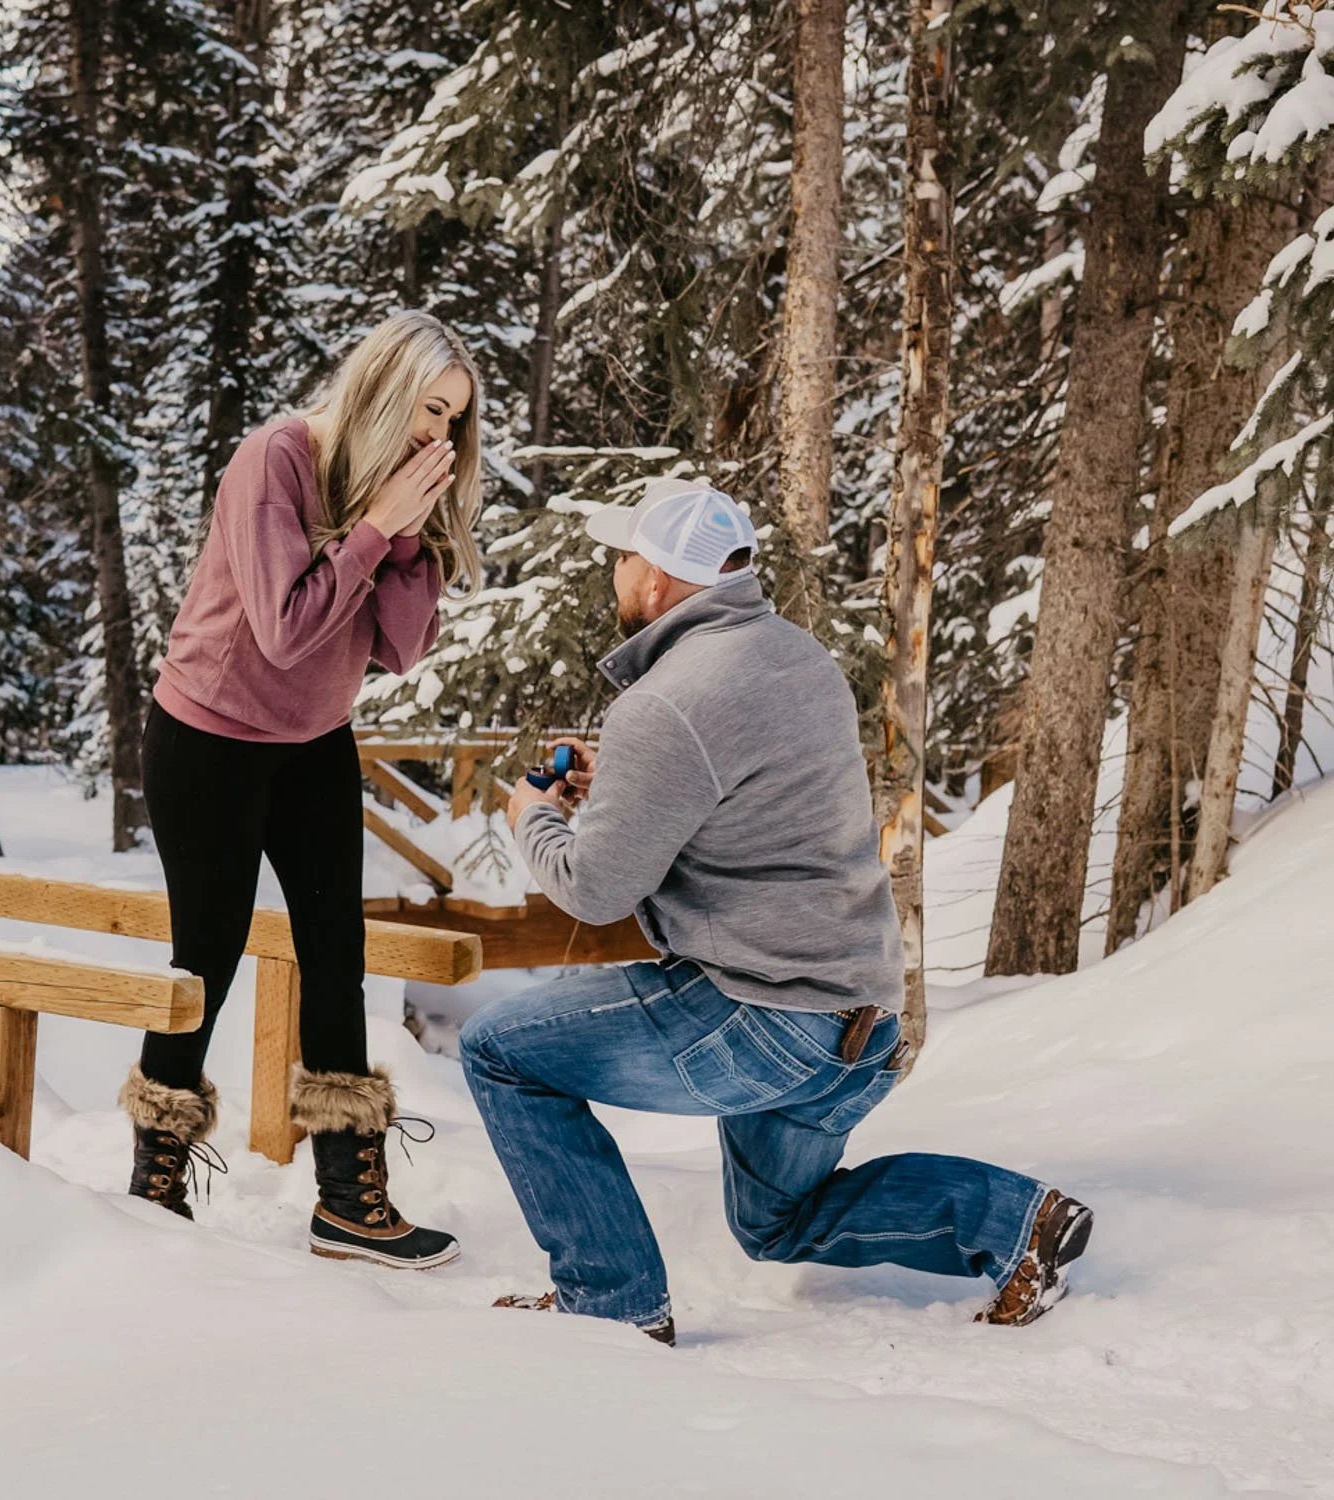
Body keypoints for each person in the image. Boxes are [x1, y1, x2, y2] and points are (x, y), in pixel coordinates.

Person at [460, 480, 1092, 1343]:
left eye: (622, 555)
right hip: (859, 1016)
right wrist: (630, 790)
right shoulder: (799, 657)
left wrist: (530, 817)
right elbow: (757, 802)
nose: (613, 571)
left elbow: (595, 890)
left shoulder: (667, 700)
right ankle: (1016, 1223)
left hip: (758, 1019)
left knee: (498, 1052)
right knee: (777, 1223)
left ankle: (612, 1304)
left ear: (656, 579)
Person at [120, 311, 484, 1270]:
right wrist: (374, 531)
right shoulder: (278, 458)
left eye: (454, 420)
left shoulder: (391, 501)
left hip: (315, 742)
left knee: (337, 956)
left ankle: (349, 1201)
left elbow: (402, 647)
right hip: (209, 740)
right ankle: (154, 1185)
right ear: (384, 386)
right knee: (211, 950)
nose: (437, 436)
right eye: (428, 409)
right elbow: (284, 628)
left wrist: (407, 543)